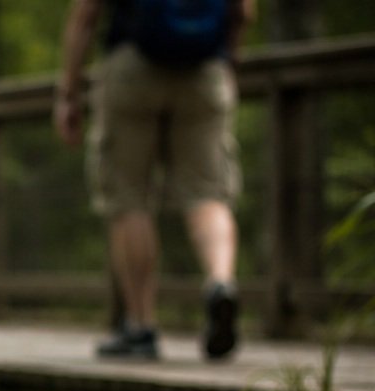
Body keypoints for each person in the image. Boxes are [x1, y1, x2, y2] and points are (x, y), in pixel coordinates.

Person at [55, 0, 253, 361]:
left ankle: (140, 326)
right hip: (204, 69)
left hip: (132, 66)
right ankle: (220, 282)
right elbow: (243, 12)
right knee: (208, 194)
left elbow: (85, 17)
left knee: (128, 198)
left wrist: (69, 91)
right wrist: (229, 59)